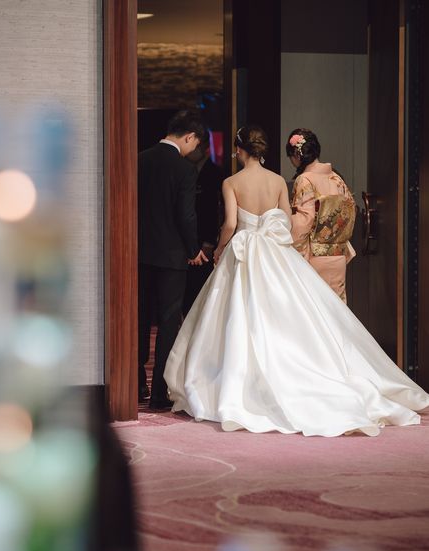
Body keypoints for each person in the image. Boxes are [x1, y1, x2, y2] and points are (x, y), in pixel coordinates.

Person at [164, 126, 429, 437]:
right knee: (287, 316)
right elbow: (287, 222)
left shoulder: (231, 182)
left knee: (240, 316)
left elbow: (231, 223)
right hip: (276, 253)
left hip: (245, 252)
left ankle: (242, 382)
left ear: (239, 150)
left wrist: (221, 248)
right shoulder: (279, 180)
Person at [138, 110, 208, 409]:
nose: (194, 150)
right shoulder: (184, 169)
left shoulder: (139, 160)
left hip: (139, 252)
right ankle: (158, 393)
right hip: (172, 255)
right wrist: (193, 250)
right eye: (196, 144)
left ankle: (136, 384)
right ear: (189, 137)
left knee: (139, 317)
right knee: (168, 322)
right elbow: (185, 215)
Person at [286, 129, 357, 303]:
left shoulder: (305, 179)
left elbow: (304, 221)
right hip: (338, 256)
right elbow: (350, 213)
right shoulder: (336, 178)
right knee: (337, 309)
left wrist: (295, 253)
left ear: (297, 155)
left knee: (315, 309)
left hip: (314, 256)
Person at [182, 131, 224, 315]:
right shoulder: (185, 169)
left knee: (201, 285)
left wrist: (209, 241)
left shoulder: (215, 173)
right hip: (187, 236)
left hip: (206, 236)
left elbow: (215, 210)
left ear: (204, 147)